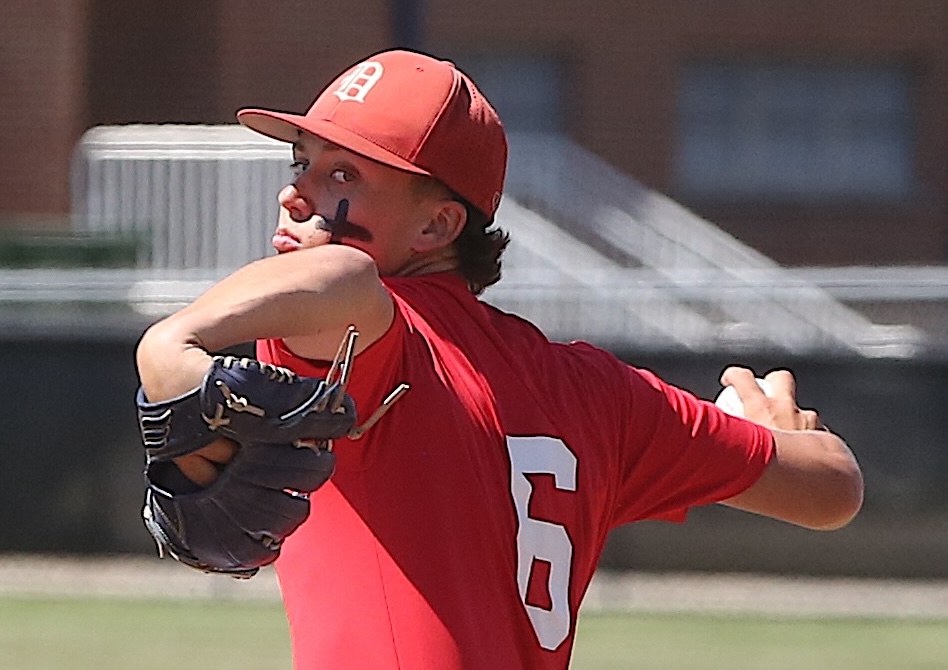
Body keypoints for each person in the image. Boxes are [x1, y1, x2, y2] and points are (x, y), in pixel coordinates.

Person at [135, 49, 863, 669]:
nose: (294, 193)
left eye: (344, 176)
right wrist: (782, 438)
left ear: (437, 224)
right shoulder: (599, 392)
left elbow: (344, 279)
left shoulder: (370, 342)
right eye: (303, 162)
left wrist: (171, 344)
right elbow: (833, 490)